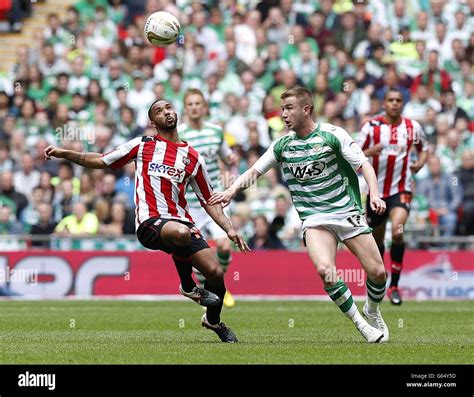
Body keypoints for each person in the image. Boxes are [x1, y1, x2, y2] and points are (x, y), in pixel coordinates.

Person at [44, 99, 249, 343]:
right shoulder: (143, 145)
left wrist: (229, 228)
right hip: (150, 222)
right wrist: (64, 153)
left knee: (215, 273)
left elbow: (209, 200)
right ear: (153, 122)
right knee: (181, 234)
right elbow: (101, 160)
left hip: (180, 221)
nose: (167, 112)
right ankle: (187, 285)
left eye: (169, 108)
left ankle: (213, 321)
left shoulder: (193, 157)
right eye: (159, 111)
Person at [210, 87, 389, 343]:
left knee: (378, 272)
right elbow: (254, 171)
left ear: (306, 110)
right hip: (315, 219)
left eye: (289, 108)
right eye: (282, 109)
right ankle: (362, 326)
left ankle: (371, 311)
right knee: (326, 270)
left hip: (347, 211)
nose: (283, 114)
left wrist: (373, 194)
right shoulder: (282, 145)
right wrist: (231, 190)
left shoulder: (332, 135)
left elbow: (364, 165)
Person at [357, 88, 429, 305]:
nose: (395, 103)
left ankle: (395, 286)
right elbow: (352, 153)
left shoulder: (412, 127)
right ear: (384, 103)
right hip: (376, 193)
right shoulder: (371, 128)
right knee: (377, 240)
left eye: (399, 100)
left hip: (401, 190)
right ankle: (380, 278)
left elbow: (424, 148)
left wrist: (420, 162)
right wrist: (371, 152)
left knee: (397, 231)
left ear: (402, 103)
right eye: (391, 100)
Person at [178, 89, 237, 308]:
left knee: (224, 247)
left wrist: (231, 171)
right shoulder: (179, 134)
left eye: (198, 103)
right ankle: (211, 288)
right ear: (185, 108)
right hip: (190, 204)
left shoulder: (215, 131)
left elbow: (228, 157)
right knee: (197, 256)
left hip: (213, 199)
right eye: (190, 104)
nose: (194, 107)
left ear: (204, 107)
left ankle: (217, 285)